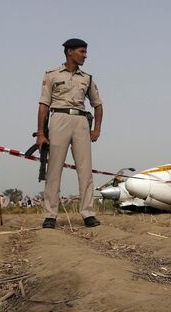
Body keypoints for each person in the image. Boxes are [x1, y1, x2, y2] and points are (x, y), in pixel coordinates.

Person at [35, 38, 103, 229]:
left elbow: (98, 105)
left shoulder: (87, 78)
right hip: (58, 118)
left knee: (85, 170)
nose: (85, 55)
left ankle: (88, 213)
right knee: (54, 169)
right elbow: (43, 105)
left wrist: (96, 129)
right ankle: (50, 215)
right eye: (82, 51)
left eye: (85, 52)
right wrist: (41, 133)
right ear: (69, 52)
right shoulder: (51, 75)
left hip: (81, 121)